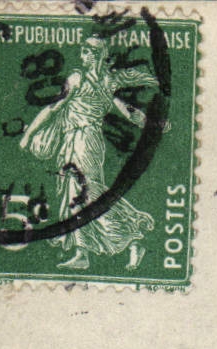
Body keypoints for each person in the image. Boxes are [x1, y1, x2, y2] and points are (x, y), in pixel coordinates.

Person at [19, 36, 158, 270]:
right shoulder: (107, 81)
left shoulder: (78, 78)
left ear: (93, 55)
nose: (81, 56)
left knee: (84, 192)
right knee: (79, 192)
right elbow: (129, 112)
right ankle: (83, 252)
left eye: (84, 52)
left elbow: (52, 107)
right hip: (81, 141)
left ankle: (131, 237)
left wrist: (28, 135)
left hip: (82, 141)